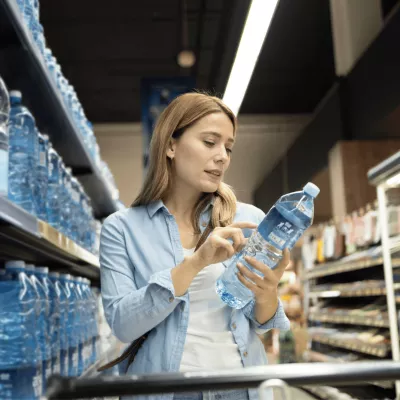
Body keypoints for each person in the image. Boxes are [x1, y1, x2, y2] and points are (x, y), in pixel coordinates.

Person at [100, 92, 290, 400]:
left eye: (228, 147)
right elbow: (123, 325)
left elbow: (262, 322)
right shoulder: (122, 229)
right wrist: (195, 263)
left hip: (240, 389)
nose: (222, 156)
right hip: (167, 393)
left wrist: (268, 290)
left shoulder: (248, 219)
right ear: (171, 145)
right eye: (209, 142)